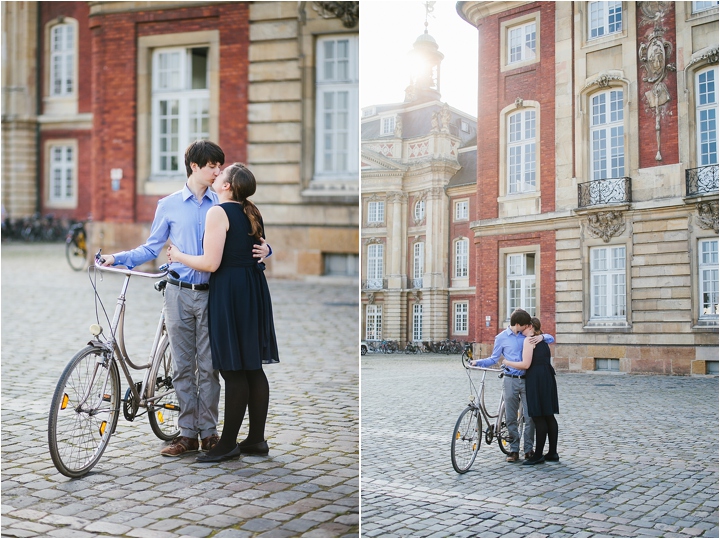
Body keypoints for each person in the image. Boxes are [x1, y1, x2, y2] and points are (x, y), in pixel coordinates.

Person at [102, 141, 270, 457]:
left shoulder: (221, 203)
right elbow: (152, 248)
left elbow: (244, 239)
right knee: (182, 367)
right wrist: (116, 257)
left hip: (213, 296)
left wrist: (267, 249)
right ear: (195, 166)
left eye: (221, 167)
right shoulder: (168, 205)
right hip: (177, 293)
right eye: (212, 166)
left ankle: (209, 434)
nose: (218, 171)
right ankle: (186, 435)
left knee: (208, 368)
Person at [167, 162, 280, 463]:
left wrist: (178, 255)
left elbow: (211, 263)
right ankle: (256, 439)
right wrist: (267, 251)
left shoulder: (218, 211)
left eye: (223, 173)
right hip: (253, 289)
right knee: (252, 367)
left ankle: (227, 443)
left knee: (232, 368)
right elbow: (256, 250)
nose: (217, 175)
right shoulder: (251, 211)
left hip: (231, 291)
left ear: (228, 186)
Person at [471, 309, 554, 463]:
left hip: (527, 379)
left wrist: (542, 336)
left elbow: (550, 338)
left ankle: (528, 449)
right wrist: (478, 362)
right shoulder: (501, 338)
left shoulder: (526, 335)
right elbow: (494, 358)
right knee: (510, 416)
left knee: (530, 416)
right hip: (510, 380)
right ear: (518, 324)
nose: (528, 326)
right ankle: (514, 449)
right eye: (526, 324)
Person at [503, 317, 559, 466]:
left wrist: (507, 362)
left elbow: (525, 364)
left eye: (525, 327)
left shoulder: (529, 340)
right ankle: (552, 453)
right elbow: (549, 338)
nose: (522, 330)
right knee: (549, 416)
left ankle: (538, 455)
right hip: (547, 377)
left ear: (531, 327)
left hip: (536, 379)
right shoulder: (543, 340)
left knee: (538, 416)